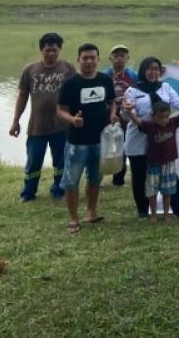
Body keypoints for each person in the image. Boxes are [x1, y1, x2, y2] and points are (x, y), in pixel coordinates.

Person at [122, 56, 179, 220]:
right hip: (139, 139)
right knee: (140, 176)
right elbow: (126, 116)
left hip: (161, 141)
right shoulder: (132, 91)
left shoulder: (165, 87)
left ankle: (178, 209)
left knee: (170, 175)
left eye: (156, 69)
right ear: (143, 70)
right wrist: (126, 110)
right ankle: (143, 210)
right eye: (149, 68)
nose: (153, 72)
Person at [56, 43, 118, 233]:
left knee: (95, 178)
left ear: (98, 59)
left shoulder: (105, 79)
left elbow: (112, 101)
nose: (89, 61)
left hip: (100, 140)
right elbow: (60, 110)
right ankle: (74, 218)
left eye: (93, 58)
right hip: (77, 142)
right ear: (79, 60)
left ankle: (91, 211)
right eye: (85, 58)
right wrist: (72, 120)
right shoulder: (71, 83)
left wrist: (113, 114)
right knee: (71, 180)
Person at [9, 32, 75, 202]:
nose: (51, 53)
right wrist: (15, 121)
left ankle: (58, 190)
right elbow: (22, 96)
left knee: (61, 162)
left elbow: (76, 94)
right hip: (37, 126)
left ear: (59, 49)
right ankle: (28, 193)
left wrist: (75, 118)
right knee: (33, 161)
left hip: (62, 126)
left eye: (54, 50)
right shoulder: (30, 70)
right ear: (41, 50)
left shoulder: (68, 68)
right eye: (47, 50)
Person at [104, 44, 137, 186]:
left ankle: (118, 180)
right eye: (116, 56)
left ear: (127, 58)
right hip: (107, 113)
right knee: (104, 145)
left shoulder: (133, 75)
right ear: (110, 59)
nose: (119, 59)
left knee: (123, 145)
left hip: (127, 113)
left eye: (122, 56)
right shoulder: (104, 75)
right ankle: (96, 177)